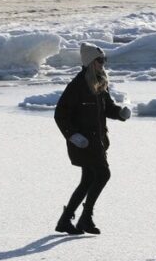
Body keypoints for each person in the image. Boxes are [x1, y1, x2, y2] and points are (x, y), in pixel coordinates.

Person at [53, 43, 131, 235]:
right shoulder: (77, 85)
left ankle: (66, 220)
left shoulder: (99, 82)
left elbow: (108, 108)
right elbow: (60, 115)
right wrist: (73, 136)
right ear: (90, 62)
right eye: (100, 60)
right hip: (84, 143)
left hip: (98, 141)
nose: (103, 64)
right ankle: (85, 218)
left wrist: (121, 113)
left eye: (104, 60)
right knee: (103, 175)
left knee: (88, 180)